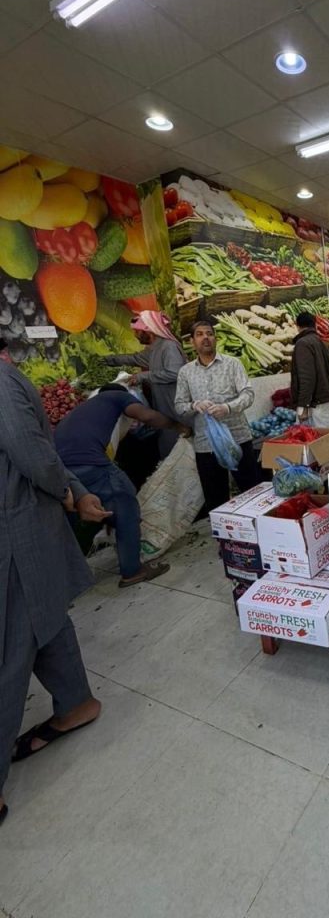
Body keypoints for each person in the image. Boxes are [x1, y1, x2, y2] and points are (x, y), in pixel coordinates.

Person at [0, 339, 112, 827]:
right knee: (44, 620)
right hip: (23, 526)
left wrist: (69, 491)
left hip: (16, 533)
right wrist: (75, 491)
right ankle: (77, 703)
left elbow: (35, 456)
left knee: (10, 647)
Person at [54, 385, 186, 588]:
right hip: (90, 462)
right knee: (126, 503)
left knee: (75, 522)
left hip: (62, 472)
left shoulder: (85, 409)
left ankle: (69, 580)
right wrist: (177, 425)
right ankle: (133, 571)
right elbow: (148, 416)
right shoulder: (117, 396)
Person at [174, 319, 259, 513]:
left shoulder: (232, 364)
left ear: (215, 338)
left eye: (209, 334)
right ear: (192, 342)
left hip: (237, 438)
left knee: (251, 492)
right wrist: (194, 405)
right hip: (206, 444)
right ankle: (223, 531)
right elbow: (179, 405)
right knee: (216, 499)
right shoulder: (185, 372)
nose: (205, 338)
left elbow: (248, 394)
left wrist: (228, 408)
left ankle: (258, 527)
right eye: (199, 334)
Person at [103, 310, 189, 458]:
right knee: (170, 439)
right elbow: (135, 359)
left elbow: (175, 373)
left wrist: (143, 376)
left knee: (178, 442)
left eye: (137, 332)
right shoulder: (155, 348)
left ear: (149, 332)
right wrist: (108, 360)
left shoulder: (168, 347)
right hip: (165, 404)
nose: (135, 335)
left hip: (175, 404)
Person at [290, 312, 329, 429]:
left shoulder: (302, 344)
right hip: (325, 402)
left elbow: (307, 377)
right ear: (315, 325)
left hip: (315, 405)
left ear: (298, 326)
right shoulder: (322, 343)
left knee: (318, 438)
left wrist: (303, 406)